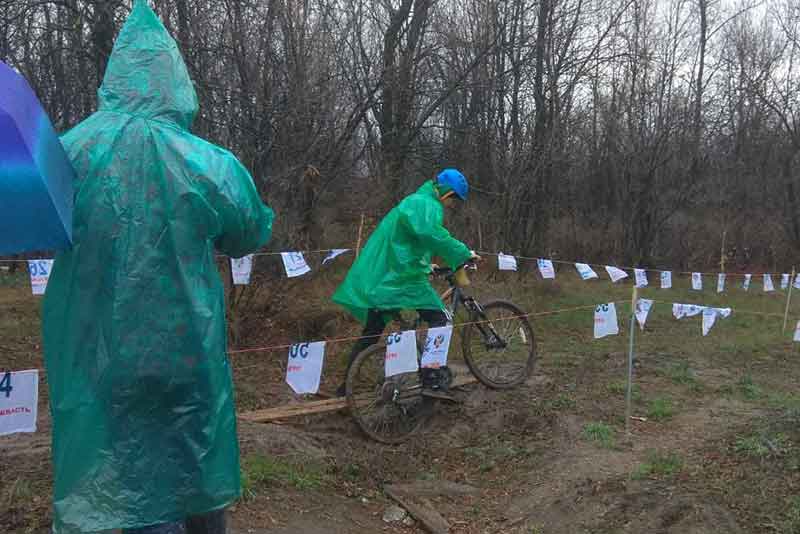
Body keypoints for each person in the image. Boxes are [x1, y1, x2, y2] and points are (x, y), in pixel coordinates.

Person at [41, 2, 274, 533]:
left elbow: (34, 225)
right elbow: (249, 232)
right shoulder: (206, 162)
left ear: (114, 77)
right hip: (185, 353)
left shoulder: (67, 152)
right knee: (194, 461)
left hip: (98, 354)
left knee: (125, 475)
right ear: (176, 81)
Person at [332, 169, 478, 396]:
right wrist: (463, 253)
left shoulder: (414, 201)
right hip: (401, 281)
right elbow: (432, 235)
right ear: (447, 193)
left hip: (386, 279)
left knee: (371, 332)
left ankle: (345, 390)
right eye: (454, 200)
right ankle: (432, 377)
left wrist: (424, 265)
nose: (452, 206)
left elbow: (408, 243)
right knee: (441, 318)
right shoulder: (426, 204)